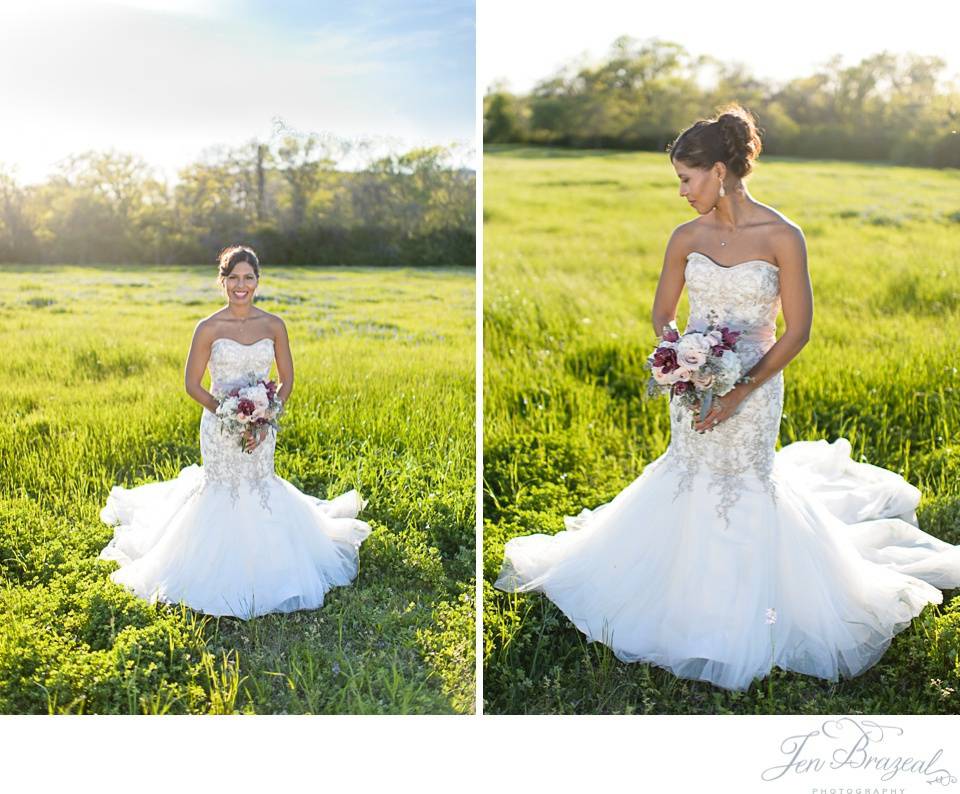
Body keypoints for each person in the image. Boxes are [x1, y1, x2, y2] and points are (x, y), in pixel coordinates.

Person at [494, 105, 960, 692]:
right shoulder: (685, 237)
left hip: (756, 386)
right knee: (689, 471)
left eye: (686, 180)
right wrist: (680, 357)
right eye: (678, 182)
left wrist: (739, 389)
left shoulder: (783, 237)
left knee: (745, 480)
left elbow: (797, 331)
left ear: (719, 170)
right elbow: (663, 313)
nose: (682, 192)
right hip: (693, 385)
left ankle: (747, 612)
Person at [99, 245, 372, 619]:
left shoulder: (273, 325)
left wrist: (264, 418)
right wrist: (228, 414)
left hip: (262, 426)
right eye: (233, 278)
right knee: (223, 490)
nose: (240, 286)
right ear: (222, 281)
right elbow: (192, 384)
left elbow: (287, 379)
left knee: (260, 486)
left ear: (257, 281)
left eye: (248, 278)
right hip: (219, 428)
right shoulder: (208, 328)